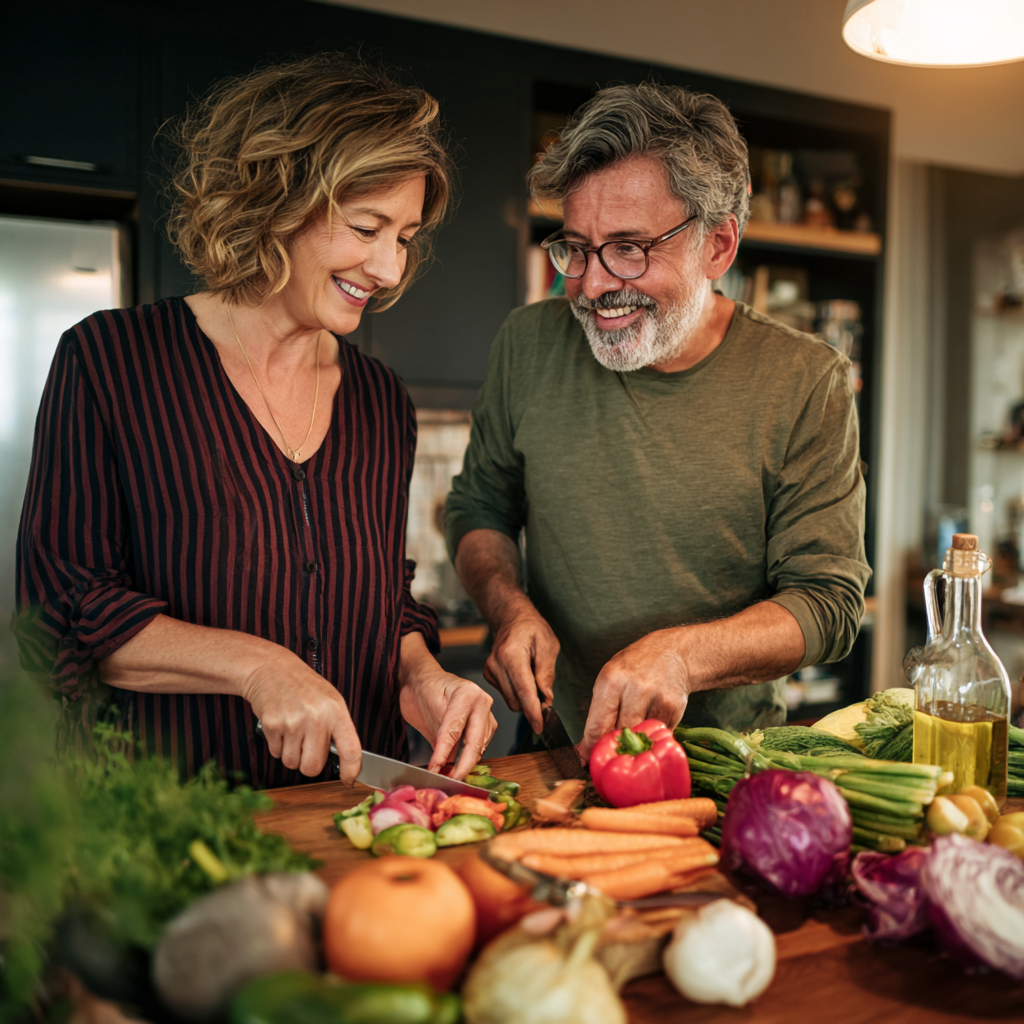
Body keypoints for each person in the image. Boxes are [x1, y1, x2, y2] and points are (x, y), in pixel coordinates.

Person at [14, 54, 496, 787]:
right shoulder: (111, 362)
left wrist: (423, 676)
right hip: (169, 820)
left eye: (404, 237)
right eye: (367, 227)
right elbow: (64, 613)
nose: (391, 269)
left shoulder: (379, 401)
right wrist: (257, 667)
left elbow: (381, 603)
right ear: (278, 200)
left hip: (342, 819)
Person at [445, 83, 870, 759]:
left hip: (728, 764)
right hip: (555, 745)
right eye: (578, 248)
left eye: (629, 249)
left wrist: (683, 656)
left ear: (719, 245)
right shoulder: (527, 344)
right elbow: (478, 509)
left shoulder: (805, 380)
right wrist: (508, 607)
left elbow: (827, 603)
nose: (589, 285)